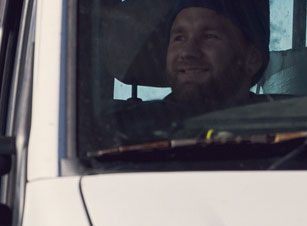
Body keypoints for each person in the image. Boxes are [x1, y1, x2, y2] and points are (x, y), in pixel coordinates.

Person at [113, 0, 270, 139]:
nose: (187, 52)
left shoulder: (284, 130)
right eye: (179, 38)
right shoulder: (125, 136)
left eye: (209, 36)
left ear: (252, 59)